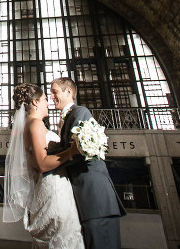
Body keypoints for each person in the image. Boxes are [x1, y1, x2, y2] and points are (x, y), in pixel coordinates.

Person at [4, 83, 85, 249]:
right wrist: (70, 152)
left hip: (48, 186)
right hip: (53, 188)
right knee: (64, 237)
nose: (48, 102)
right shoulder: (35, 124)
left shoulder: (30, 124)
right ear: (35, 102)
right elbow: (41, 163)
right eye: (45, 99)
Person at [50, 77, 126, 249]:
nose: (51, 97)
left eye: (54, 92)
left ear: (68, 92)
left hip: (94, 196)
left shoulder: (80, 112)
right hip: (84, 196)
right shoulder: (66, 118)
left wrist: (46, 165)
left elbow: (78, 152)